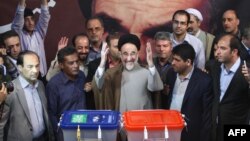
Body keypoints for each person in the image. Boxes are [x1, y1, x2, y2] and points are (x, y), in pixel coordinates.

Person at [94, 33, 163, 112]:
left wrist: (151, 64)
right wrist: (102, 63)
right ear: (120, 54)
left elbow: (156, 87)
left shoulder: (147, 71)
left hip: (143, 121)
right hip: (122, 121)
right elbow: (99, 85)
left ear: (138, 54)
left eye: (133, 53)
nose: (129, 58)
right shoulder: (113, 74)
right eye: (125, 54)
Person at [162, 43, 212, 141]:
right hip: (169, 129)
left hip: (191, 133)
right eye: (172, 59)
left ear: (188, 62)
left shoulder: (204, 81)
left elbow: (206, 114)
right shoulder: (171, 74)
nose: (172, 63)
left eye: (177, 60)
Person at [0, 51, 54, 141]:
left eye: (37, 66)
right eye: (30, 67)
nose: (35, 70)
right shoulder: (10, 91)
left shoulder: (40, 85)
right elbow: (1, 125)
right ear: (20, 68)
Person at [207, 33, 250, 141]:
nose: (217, 52)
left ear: (234, 52)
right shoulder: (213, 66)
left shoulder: (247, 70)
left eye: (223, 48)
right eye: (216, 48)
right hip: (215, 127)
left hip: (238, 128)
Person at [46, 46, 86, 141]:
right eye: (71, 63)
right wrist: (59, 134)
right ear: (61, 65)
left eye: (77, 61)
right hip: (65, 132)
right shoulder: (54, 84)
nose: (76, 65)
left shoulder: (81, 75)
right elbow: (52, 113)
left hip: (84, 128)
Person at [11, 0, 50, 77]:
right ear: (22, 21)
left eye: (32, 19)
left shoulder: (39, 32)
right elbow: (18, 19)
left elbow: (45, 16)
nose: (31, 22)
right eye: (26, 20)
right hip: (27, 77)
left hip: (43, 76)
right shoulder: (18, 35)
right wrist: (22, 3)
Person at [86, 31, 121, 109]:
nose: (120, 49)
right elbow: (90, 89)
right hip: (104, 107)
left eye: (121, 46)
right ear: (107, 47)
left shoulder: (127, 63)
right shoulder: (94, 65)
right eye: (116, 46)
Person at [151, 31, 173, 108]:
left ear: (171, 46)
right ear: (154, 46)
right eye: (158, 46)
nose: (161, 49)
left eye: (165, 46)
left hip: (170, 106)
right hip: (152, 106)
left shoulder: (176, 63)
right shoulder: (150, 63)